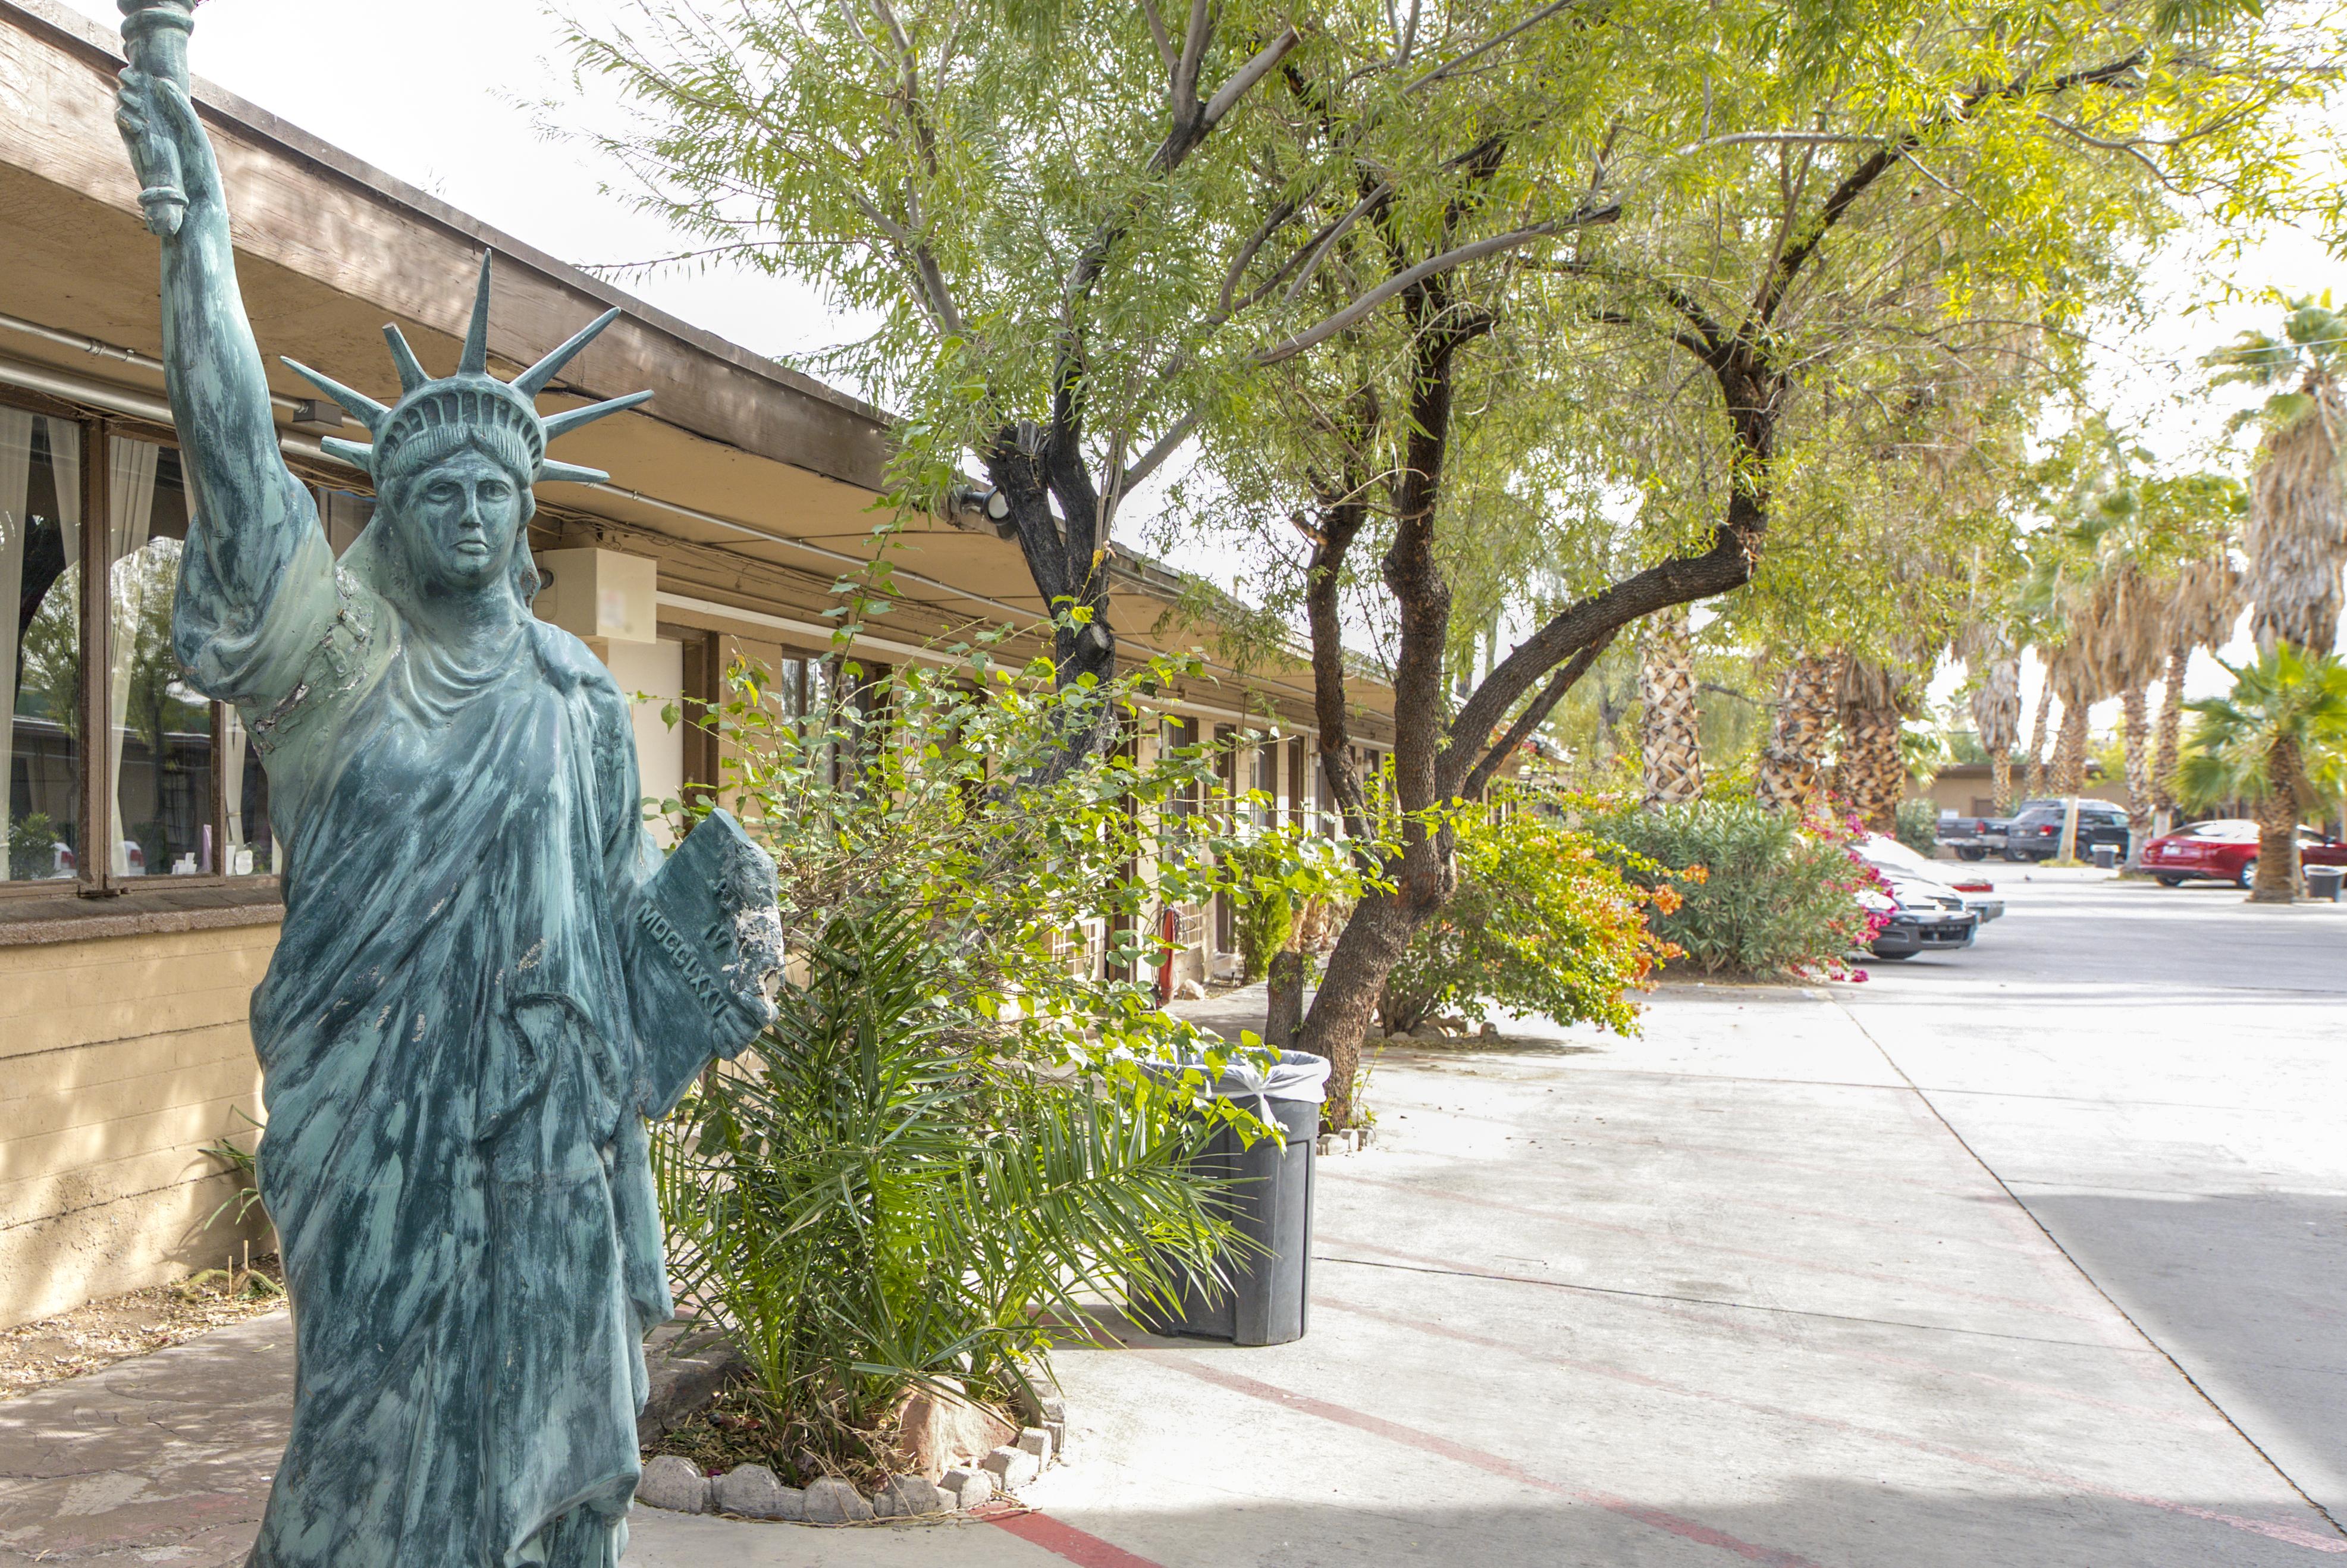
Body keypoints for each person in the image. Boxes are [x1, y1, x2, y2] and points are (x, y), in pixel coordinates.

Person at [115, 55, 779, 1568]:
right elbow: (231, 455)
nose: (471, 516)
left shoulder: (575, 698)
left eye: (496, 492)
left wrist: (700, 971)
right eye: (440, 496)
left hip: (548, 1131)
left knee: (549, 1437)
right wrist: (191, 224)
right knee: (364, 1431)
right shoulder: (338, 662)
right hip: (376, 1134)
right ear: (397, 521)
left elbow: (614, 920)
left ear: (526, 514)